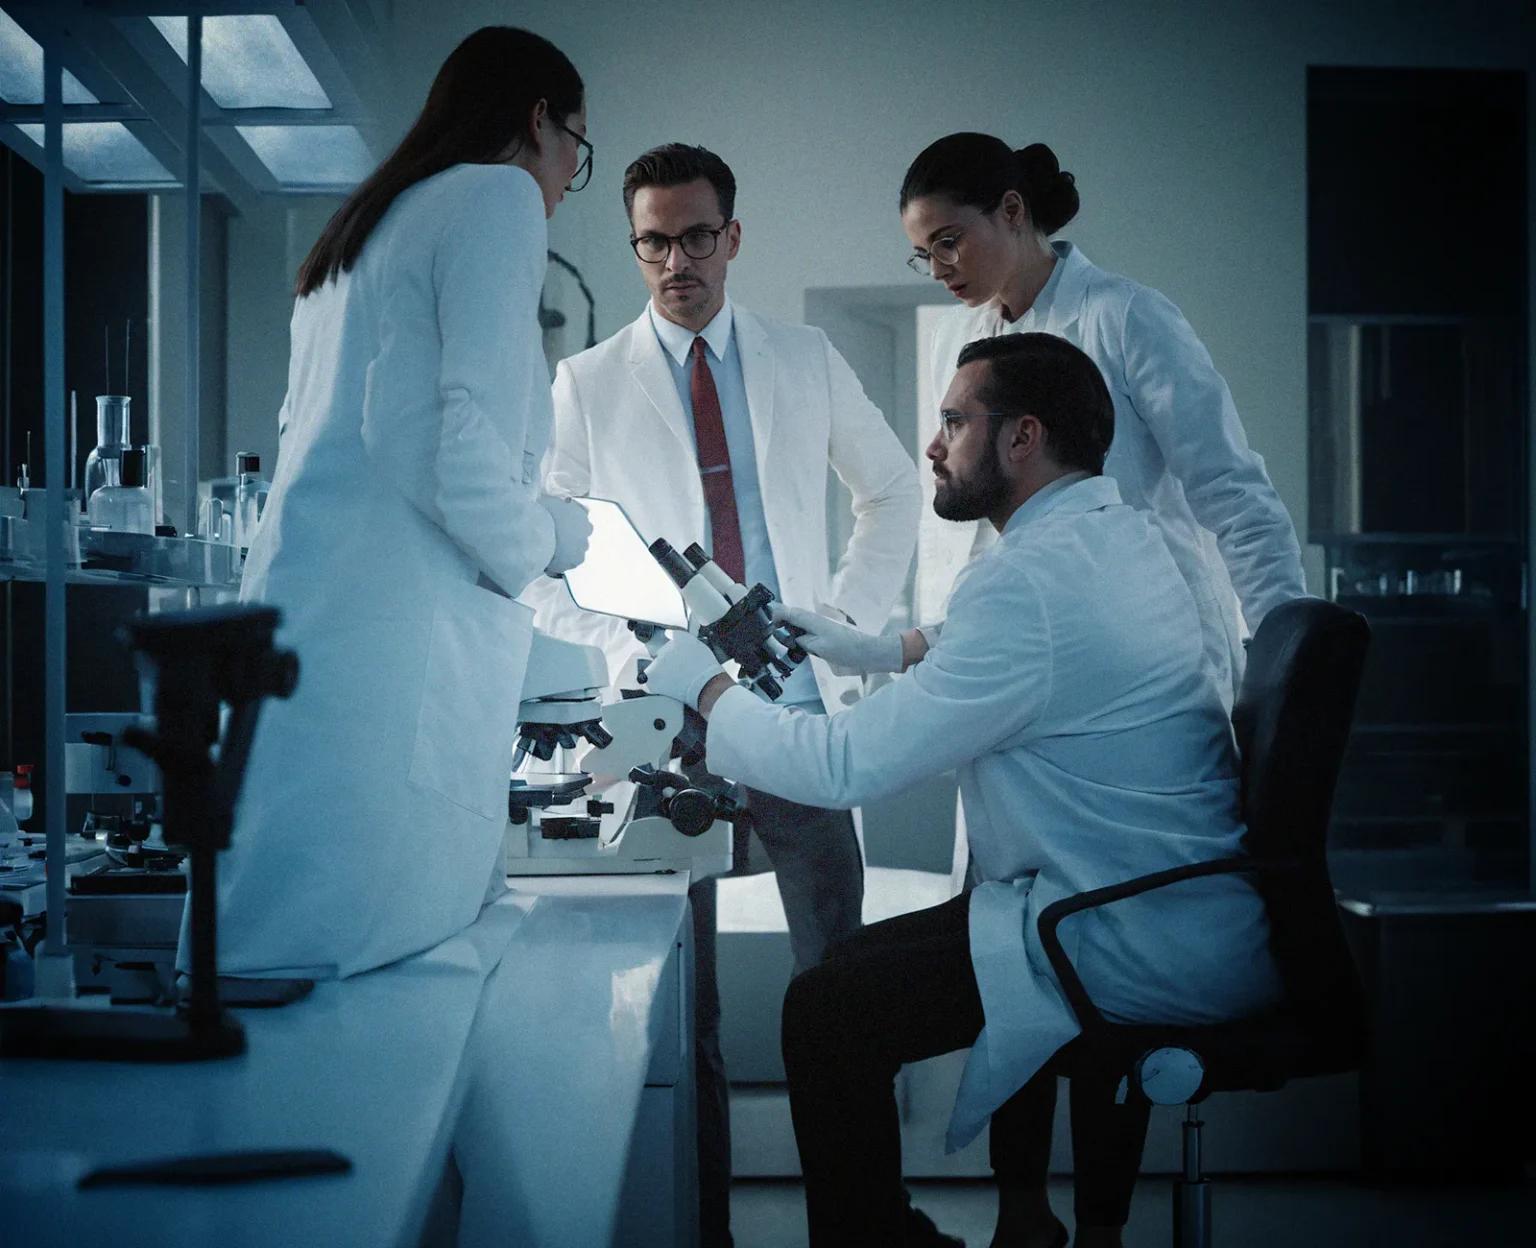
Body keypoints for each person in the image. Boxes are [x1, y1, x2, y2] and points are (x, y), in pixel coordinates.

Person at [641, 333, 1284, 1248]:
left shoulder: (1025, 583)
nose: (933, 445)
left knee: (825, 1012)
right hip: (1158, 895)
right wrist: (880, 647)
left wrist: (704, 689)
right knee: (840, 978)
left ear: (1023, 438)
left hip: (1117, 925)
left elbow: (841, 767)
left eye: (954, 422)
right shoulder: (1115, 537)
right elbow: (1038, 643)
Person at [525, 143, 920, 1246]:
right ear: (634, 245)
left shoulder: (804, 358)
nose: (676, 262)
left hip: (794, 717)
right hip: (667, 730)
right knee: (678, 1009)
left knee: (842, 993)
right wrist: (639, 649)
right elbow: (540, 563)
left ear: (732, 237)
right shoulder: (587, 382)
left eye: (697, 237)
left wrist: (838, 629)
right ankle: (703, 1231)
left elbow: (893, 492)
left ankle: (861, 1231)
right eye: (653, 241)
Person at [193, 27, 595, 980]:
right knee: (381, 967)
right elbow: (462, 461)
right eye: (577, 148)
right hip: (395, 645)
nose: (566, 177)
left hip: (307, 621)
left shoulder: (362, 229)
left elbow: (386, 434)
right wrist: (553, 535)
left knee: (272, 947)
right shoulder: (495, 197)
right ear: (539, 119)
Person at [901, 133, 1304, 703]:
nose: (939, 269)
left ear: (1012, 210)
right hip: (1014, 647)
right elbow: (957, 516)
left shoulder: (1127, 318)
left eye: (949, 242)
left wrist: (1288, 666)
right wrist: (931, 648)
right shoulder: (955, 339)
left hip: (1150, 644)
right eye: (924, 254)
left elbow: (1235, 496)